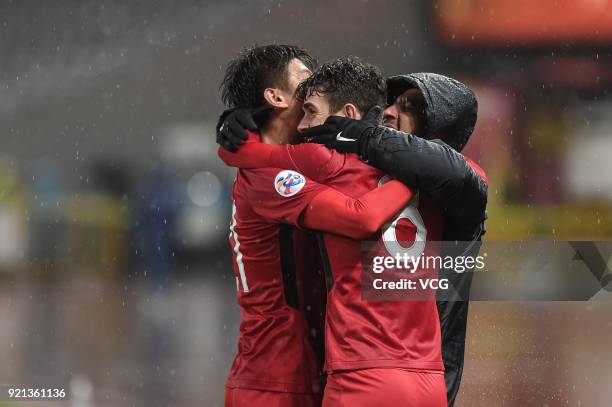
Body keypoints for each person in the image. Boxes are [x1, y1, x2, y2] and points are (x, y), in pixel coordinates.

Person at [219, 56, 489, 406]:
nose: (389, 112)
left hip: (356, 377)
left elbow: (265, 161)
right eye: (388, 103)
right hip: (425, 380)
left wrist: (243, 142)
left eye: (410, 107)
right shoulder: (452, 181)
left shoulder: (457, 183)